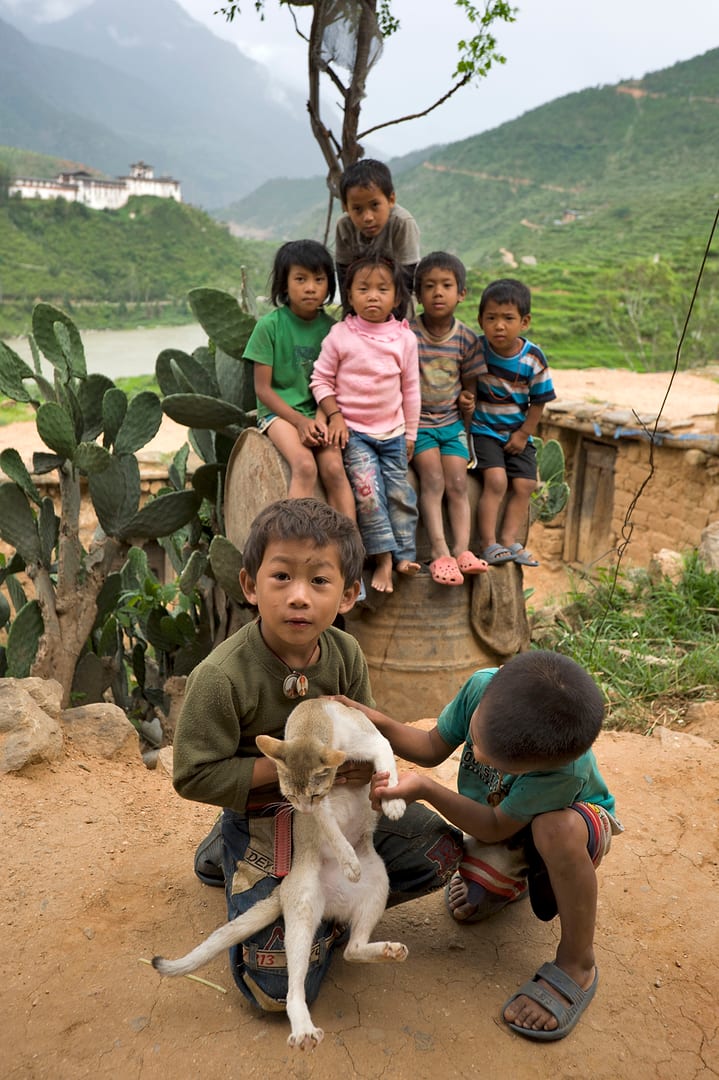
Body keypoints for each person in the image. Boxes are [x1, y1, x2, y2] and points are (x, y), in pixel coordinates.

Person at [172, 498, 463, 1012]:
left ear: (349, 594)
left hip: (338, 814)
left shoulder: (345, 654)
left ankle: (327, 909)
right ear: (250, 586)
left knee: (442, 851)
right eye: (281, 577)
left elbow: (363, 731)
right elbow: (193, 775)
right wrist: (292, 766)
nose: (299, 597)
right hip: (268, 815)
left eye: (320, 582)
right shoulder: (221, 678)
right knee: (276, 993)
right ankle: (229, 847)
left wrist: (362, 772)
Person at [345, 649, 622, 1042]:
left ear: (540, 766)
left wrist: (425, 789)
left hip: (575, 824)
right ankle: (517, 881)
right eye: (475, 739)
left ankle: (578, 962)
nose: (474, 754)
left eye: (500, 764)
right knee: (478, 890)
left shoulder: (563, 773)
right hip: (508, 818)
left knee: (552, 831)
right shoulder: (483, 688)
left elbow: (492, 827)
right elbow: (429, 746)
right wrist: (379, 724)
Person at [310, 254, 421, 594]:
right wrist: (336, 415)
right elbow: (320, 381)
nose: (373, 295)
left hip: (394, 432)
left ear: (397, 297)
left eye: (382, 289)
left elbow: (411, 389)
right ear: (350, 295)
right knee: (368, 494)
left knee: (400, 493)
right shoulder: (340, 335)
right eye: (363, 288)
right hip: (355, 434)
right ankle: (384, 560)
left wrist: (411, 434)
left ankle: (405, 555)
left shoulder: (404, 339)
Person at [242, 239, 355, 520]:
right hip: (278, 414)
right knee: (305, 465)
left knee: (334, 469)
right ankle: (296, 542)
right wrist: (300, 421)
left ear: (329, 284)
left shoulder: (334, 330)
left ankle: (350, 548)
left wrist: (320, 417)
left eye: (319, 279)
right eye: (300, 279)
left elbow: (332, 383)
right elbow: (263, 390)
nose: (310, 287)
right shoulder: (269, 326)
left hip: (319, 410)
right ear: (284, 284)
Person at [410, 252, 488, 586]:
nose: (438, 293)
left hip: (452, 424)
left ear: (462, 293)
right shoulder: (407, 335)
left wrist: (468, 404)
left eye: (446, 285)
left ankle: (463, 550)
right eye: (429, 286)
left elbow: (470, 388)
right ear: (418, 295)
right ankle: (440, 551)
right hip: (419, 425)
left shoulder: (466, 339)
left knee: (457, 483)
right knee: (433, 481)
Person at [466, 278, 556, 567]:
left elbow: (539, 401)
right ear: (480, 320)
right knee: (496, 481)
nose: (499, 326)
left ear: (524, 321)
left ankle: (508, 539)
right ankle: (488, 543)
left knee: (527, 484)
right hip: (483, 430)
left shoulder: (533, 358)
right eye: (491, 318)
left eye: (508, 318)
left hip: (517, 431)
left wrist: (523, 434)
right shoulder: (476, 350)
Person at [334, 159, 420, 313]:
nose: (368, 217)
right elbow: (344, 277)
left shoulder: (401, 223)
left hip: (398, 303)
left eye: (375, 205)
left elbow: (407, 279)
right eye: (357, 209)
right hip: (362, 304)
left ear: (391, 199)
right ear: (346, 207)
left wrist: (393, 324)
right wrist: (350, 316)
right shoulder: (344, 226)